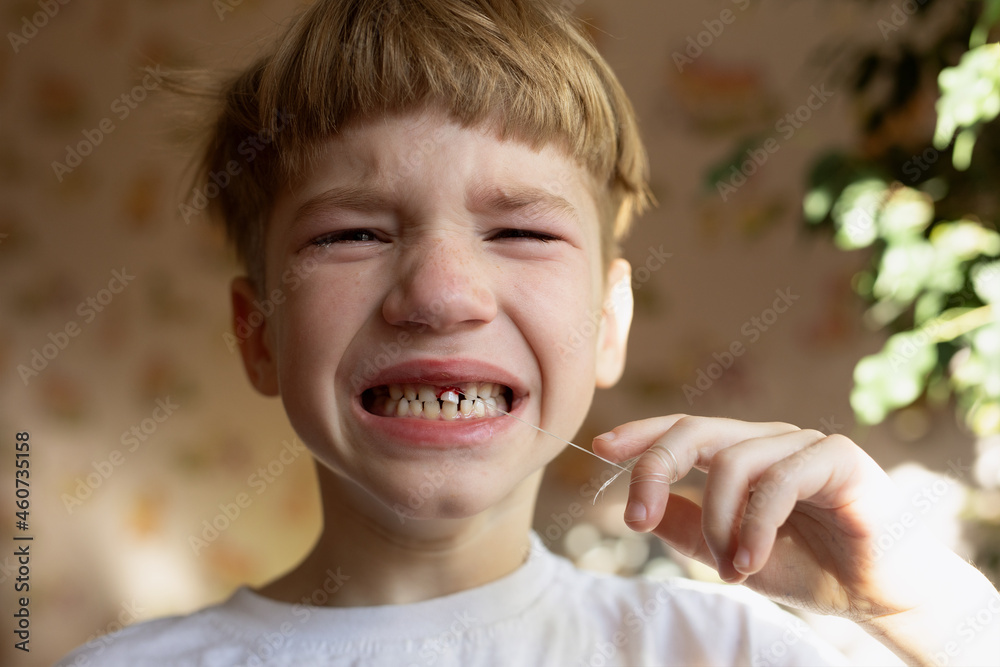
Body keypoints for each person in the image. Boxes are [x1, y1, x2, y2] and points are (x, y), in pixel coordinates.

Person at [58, 1, 1000, 665]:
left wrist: (925, 607)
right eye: (353, 232)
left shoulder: (723, 652)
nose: (439, 292)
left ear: (605, 323)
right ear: (257, 333)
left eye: (520, 231)